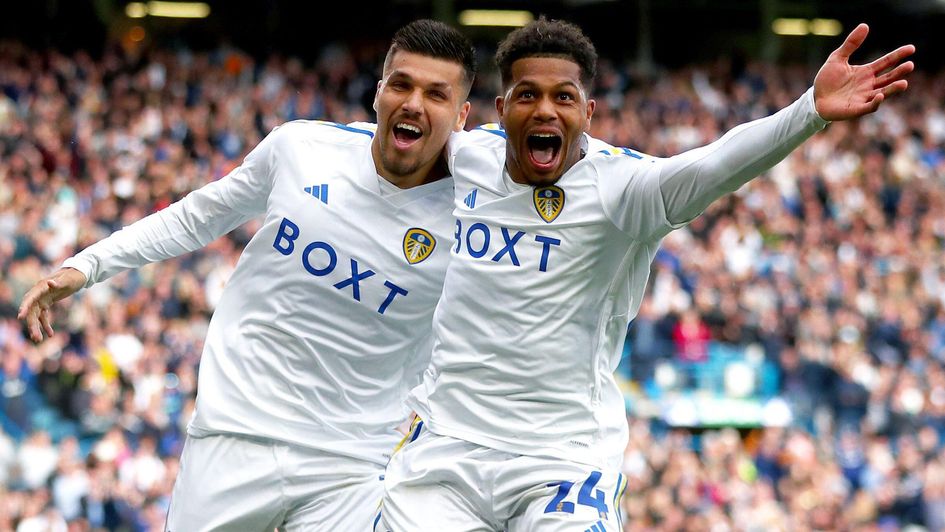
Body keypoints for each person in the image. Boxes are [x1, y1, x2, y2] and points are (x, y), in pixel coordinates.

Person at [377, 18, 914, 531]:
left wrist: (808, 112)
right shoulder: (464, 157)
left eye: (562, 97)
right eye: (527, 95)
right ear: (500, 107)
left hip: (561, 459)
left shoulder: (622, 190)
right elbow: (372, 149)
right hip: (444, 447)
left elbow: (715, 164)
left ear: (587, 111)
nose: (544, 110)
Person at [18, 19, 477, 531]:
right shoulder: (301, 149)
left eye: (436, 94)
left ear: (462, 117)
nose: (413, 102)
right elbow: (198, 216)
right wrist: (86, 265)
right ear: (378, 93)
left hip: (351, 464)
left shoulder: (476, 211)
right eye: (402, 84)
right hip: (234, 434)